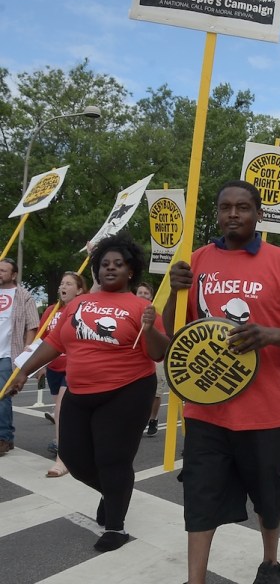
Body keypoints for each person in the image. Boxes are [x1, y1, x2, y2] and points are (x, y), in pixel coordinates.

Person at [164, 180, 280, 584]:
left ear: (258, 214)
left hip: (266, 413)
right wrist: (172, 293)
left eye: (243, 207)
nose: (233, 214)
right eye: (225, 207)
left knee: (269, 501)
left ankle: (270, 563)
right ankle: (194, 579)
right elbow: (173, 334)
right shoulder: (195, 260)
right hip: (206, 410)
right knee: (199, 499)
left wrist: (268, 335)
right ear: (216, 213)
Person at [8, 233, 169, 552]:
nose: (110, 269)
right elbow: (54, 343)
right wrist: (24, 371)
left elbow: (158, 353)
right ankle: (113, 492)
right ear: (96, 269)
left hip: (128, 390)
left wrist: (149, 329)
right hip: (80, 391)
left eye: (118, 264)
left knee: (112, 458)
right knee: (74, 457)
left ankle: (116, 527)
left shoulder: (142, 307)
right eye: (105, 264)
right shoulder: (78, 304)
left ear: (130, 270)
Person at [39, 271, 89, 477]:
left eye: (69, 284)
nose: (63, 287)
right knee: (66, 415)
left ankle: (63, 459)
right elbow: (42, 339)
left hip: (74, 366)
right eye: (62, 283)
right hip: (54, 368)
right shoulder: (51, 311)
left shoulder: (82, 308)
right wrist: (37, 365)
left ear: (79, 290)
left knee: (60, 410)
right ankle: (75, 445)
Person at [0, 258, 40, 456]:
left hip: (9, 353)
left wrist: (27, 349)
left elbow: (32, 325)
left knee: (3, 396)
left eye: (3, 270)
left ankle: (4, 438)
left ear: (13, 275)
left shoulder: (23, 296)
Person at [136, 281, 166, 437]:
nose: (142, 295)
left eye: (146, 293)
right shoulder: (130, 312)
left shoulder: (158, 315)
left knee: (156, 392)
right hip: (137, 356)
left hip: (155, 357)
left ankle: (152, 419)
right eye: (139, 292)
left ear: (152, 296)